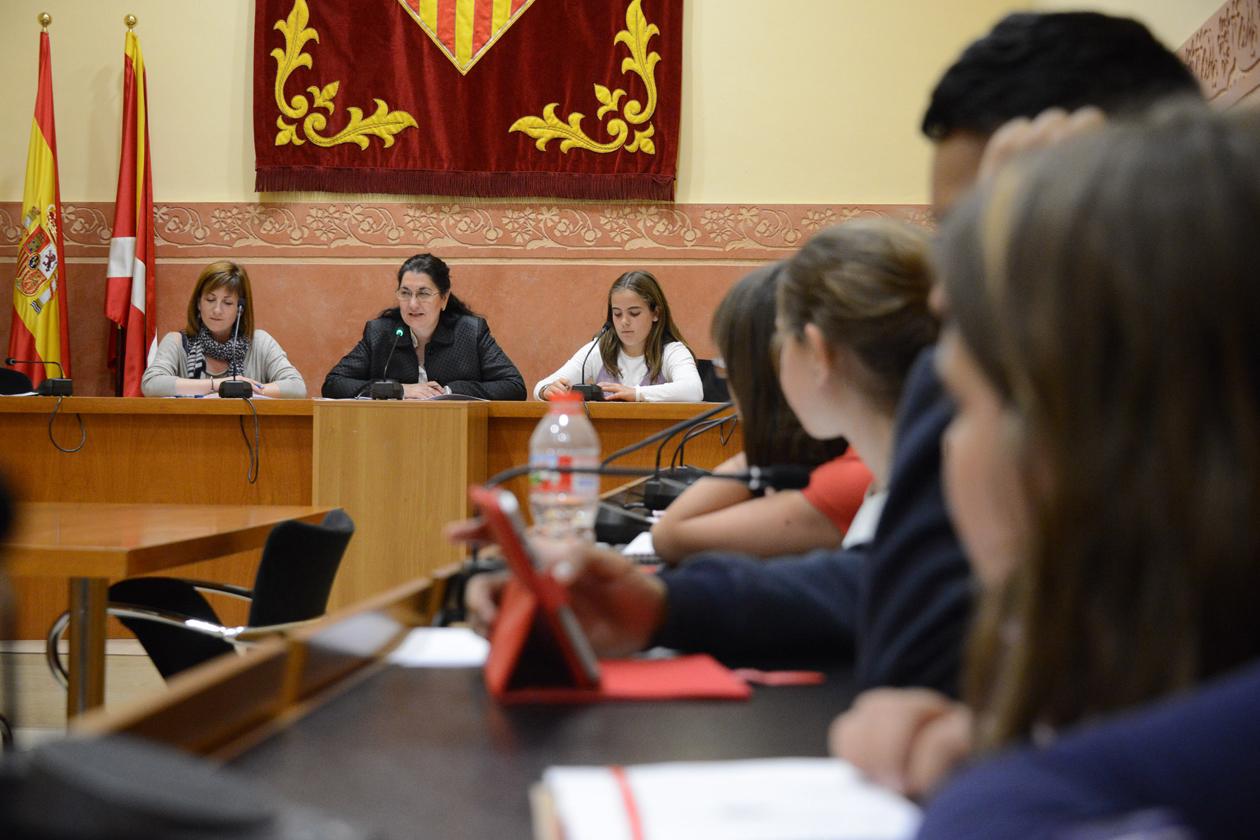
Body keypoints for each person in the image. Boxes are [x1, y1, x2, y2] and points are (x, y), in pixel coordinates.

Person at [836, 106, 1260, 829]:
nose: (946, 447)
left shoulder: (1030, 813)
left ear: (1076, 441)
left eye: (959, 405)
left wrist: (1011, 780)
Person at [458, 217, 968, 691]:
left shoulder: (911, 478)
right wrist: (660, 605)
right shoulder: (911, 472)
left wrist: (665, 605)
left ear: (818, 354)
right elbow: (858, 585)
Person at [651, 256, 884, 564]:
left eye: (728, 369)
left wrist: (763, 446)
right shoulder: (863, 453)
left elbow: (670, 535)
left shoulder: (861, 471)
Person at [321, 253, 525, 400]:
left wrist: (449, 392)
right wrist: (400, 390)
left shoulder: (470, 332)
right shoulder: (380, 333)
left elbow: (514, 386)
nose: (412, 304)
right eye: (405, 293)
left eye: (423, 293)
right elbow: (334, 384)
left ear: (444, 298)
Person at [141, 261, 306, 398]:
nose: (217, 310)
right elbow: (151, 384)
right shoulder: (177, 342)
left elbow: (297, 387)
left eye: (227, 303)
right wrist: (217, 385)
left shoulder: (260, 342)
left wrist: (247, 388)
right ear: (198, 303)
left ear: (240, 309)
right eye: (210, 299)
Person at [533, 271, 702, 402]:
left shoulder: (672, 351)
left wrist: (636, 393)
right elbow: (540, 387)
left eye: (634, 313)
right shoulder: (599, 349)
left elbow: (693, 390)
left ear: (656, 313)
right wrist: (546, 390)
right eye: (617, 314)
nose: (624, 322)